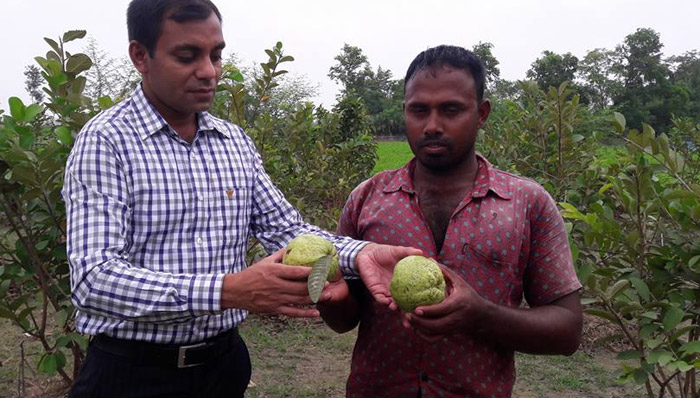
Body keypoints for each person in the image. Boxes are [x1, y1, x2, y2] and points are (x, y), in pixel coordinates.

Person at [62, 1, 418, 397]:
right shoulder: (106, 141)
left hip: (223, 365)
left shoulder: (233, 143)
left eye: (216, 55)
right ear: (140, 56)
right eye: (187, 56)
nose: (209, 71)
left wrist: (363, 253)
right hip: (130, 375)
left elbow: (287, 231)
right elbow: (94, 279)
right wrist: (227, 290)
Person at [318, 45, 583, 398]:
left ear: (482, 113)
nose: (432, 126)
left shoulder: (527, 203)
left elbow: (567, 331)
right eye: (419, 110)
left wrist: (480, 315)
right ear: (405, 112)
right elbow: (344, 321)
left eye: (451, 110)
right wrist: (332, 298)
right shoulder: (367, 199)